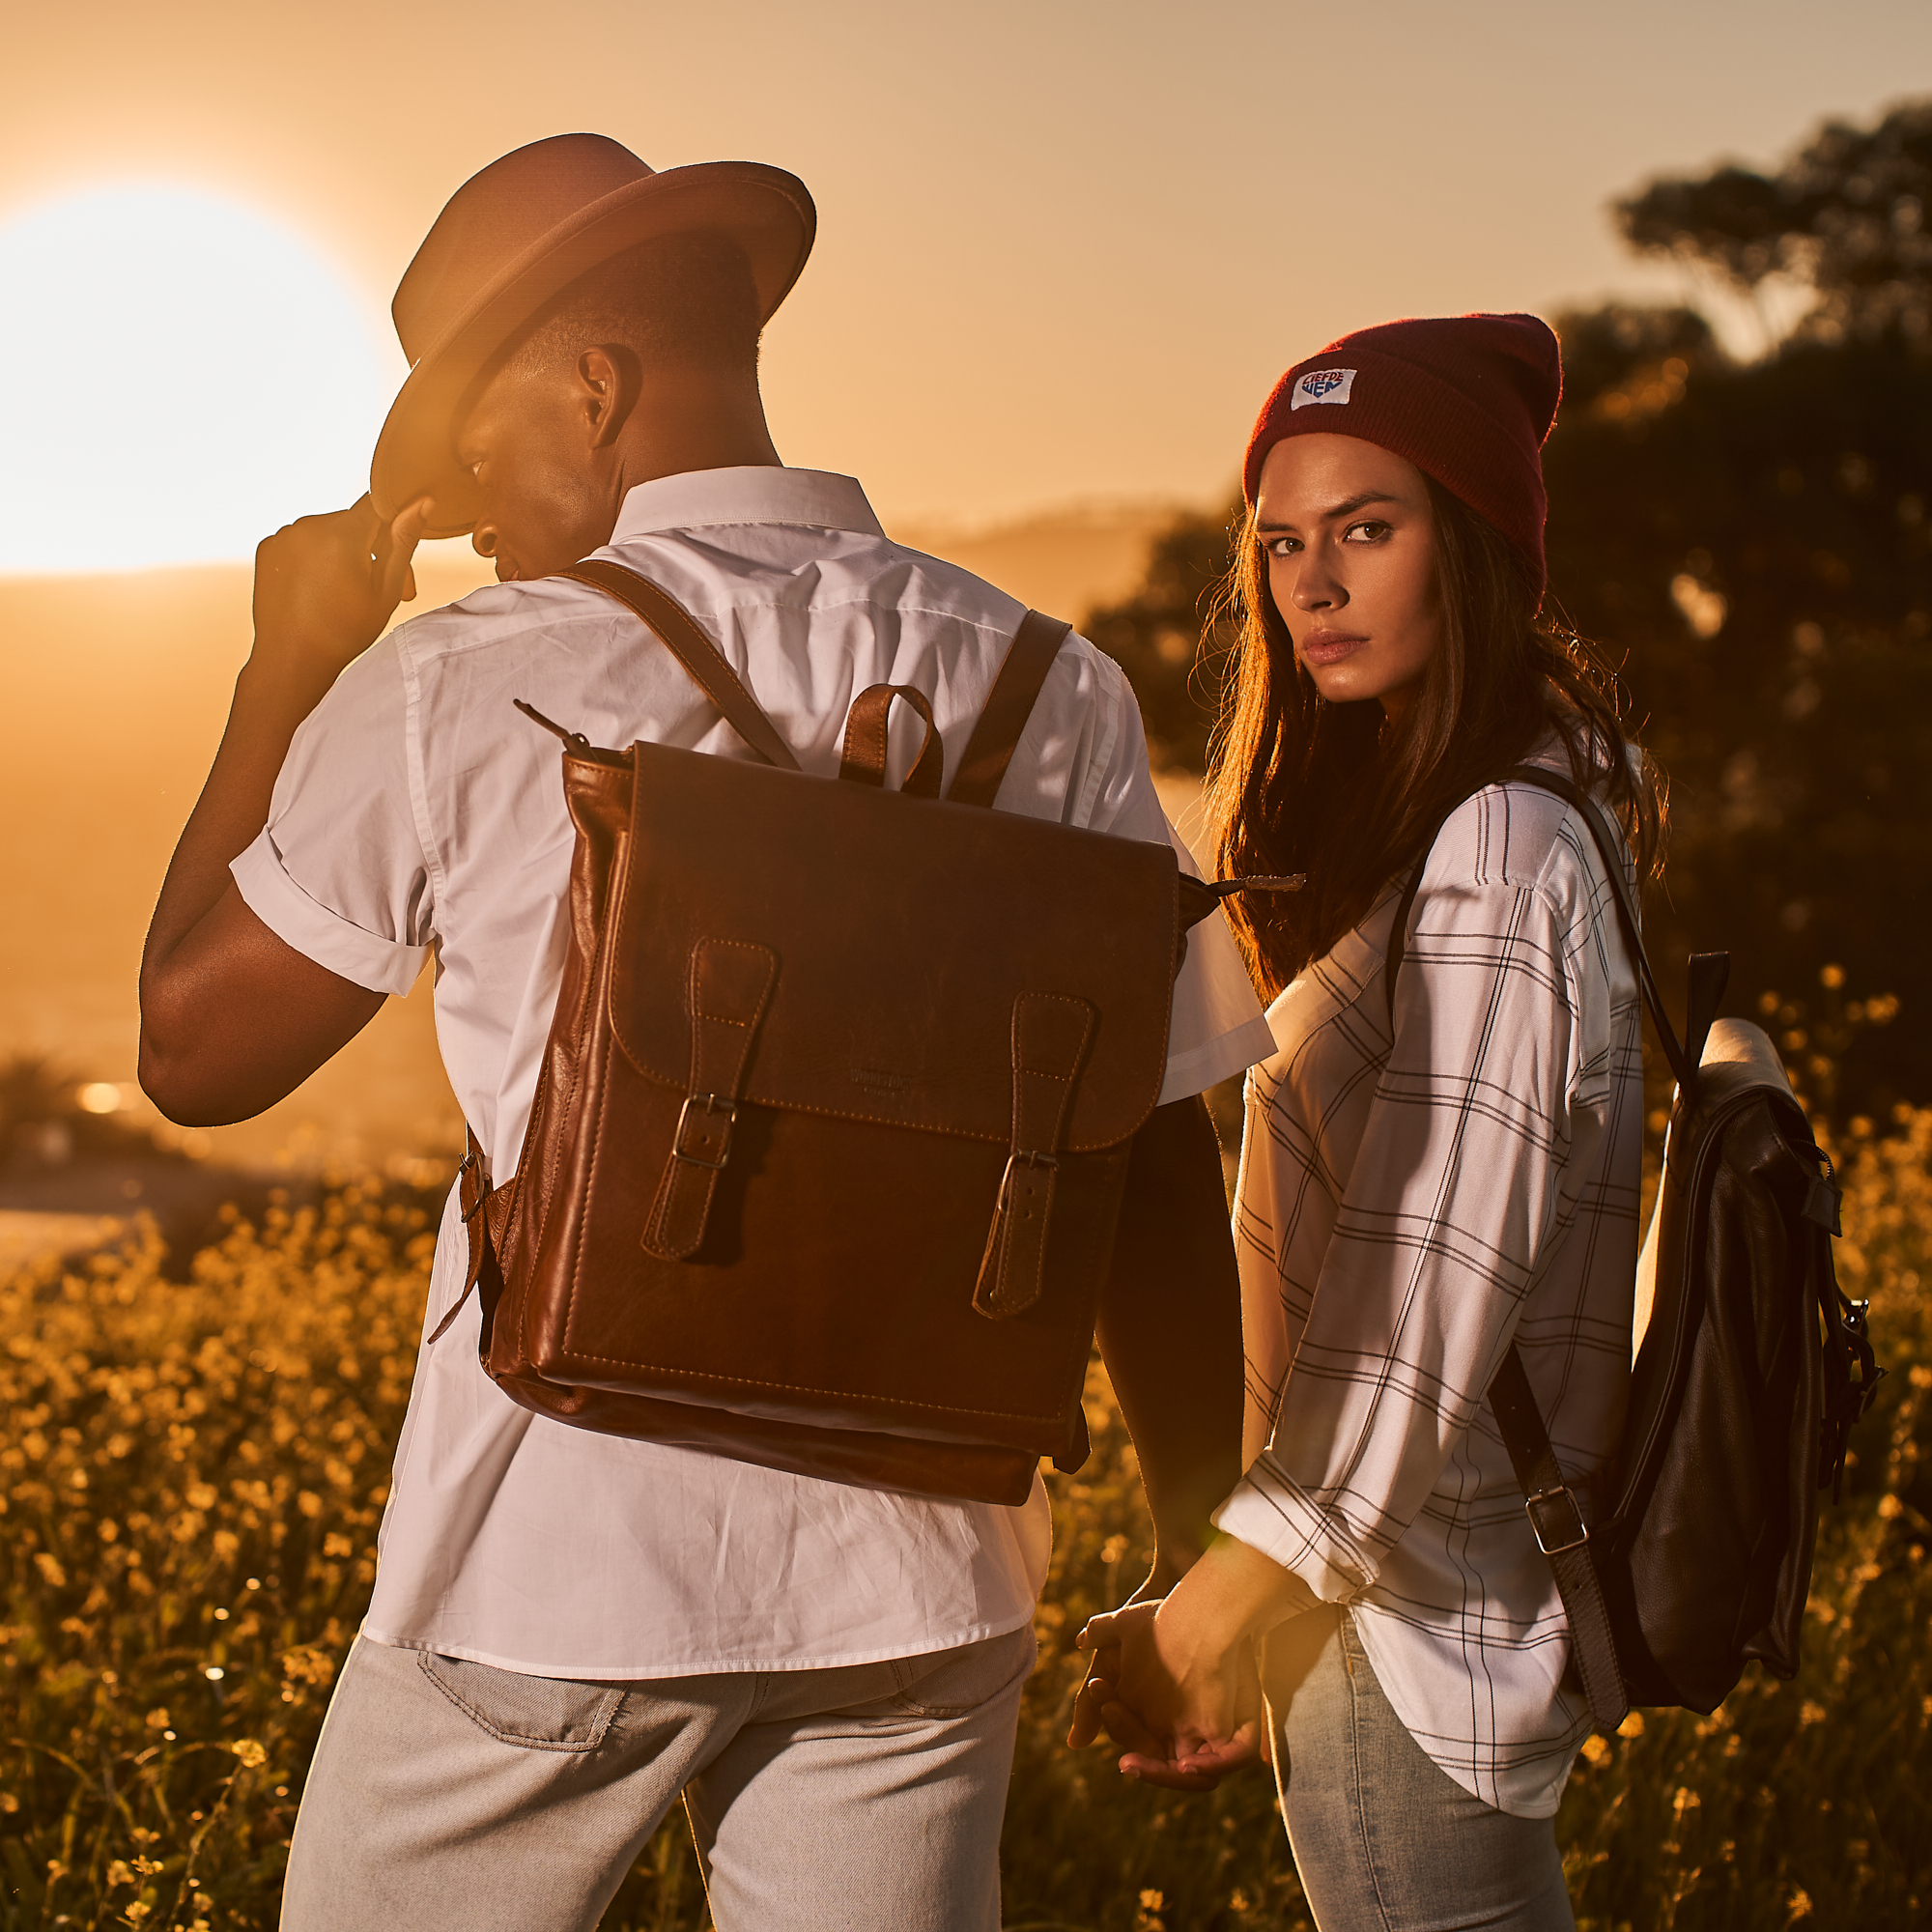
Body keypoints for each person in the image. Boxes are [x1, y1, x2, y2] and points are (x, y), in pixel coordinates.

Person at [136, 134, 1275, 1931]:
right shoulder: (1058, 683)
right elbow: (1143, 1151)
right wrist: (1202, 1548)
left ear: (592, 386)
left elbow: (194, 1056)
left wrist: (286, 666)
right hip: (923, 1590)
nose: (476, 513)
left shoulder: (451, 677)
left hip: (553, 1567)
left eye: (478, 449)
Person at [1072, 315, 1664, 1931]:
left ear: (1470, 548)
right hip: (1380, 1610)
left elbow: (1426, 1278)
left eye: (1368, 530)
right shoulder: (1472, 825)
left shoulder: (1500, 850)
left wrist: (1218, 1609)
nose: (1311, 584)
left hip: (1416, 1635)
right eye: (1280, 542)